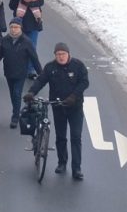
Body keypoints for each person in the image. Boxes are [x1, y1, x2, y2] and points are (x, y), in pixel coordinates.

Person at [26, 42, 90, 180]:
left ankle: (76, 168)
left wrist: (74, 96)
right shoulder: (50, 67)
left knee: (76, 137)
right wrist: (31, 92)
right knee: (61, 137)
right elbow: (41, 80)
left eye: (63, 54)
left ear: (68, 54)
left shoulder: (78, 65)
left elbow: (84, 82)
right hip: (58, 106)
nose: (61, 57)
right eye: (58, 54)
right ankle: (62, 163)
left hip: (75, 108)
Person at [0, 18, 43, 129]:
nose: (13, 30)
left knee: (17, 93)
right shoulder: (5, 40)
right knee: (12, 94)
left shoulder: (26, 42)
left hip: (20, 73)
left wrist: (41, 74)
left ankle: (15, 116)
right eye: (12, 27)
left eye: (16, 27)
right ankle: (16, 110)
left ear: (20, 28)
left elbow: (34, 58)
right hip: (9, 72)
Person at [9, 0, 44, 73]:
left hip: (33, 23)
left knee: (31, 47)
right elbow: (12, 5)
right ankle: (19, 67)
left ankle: (30, 70)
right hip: (20, 23)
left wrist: (28, 3)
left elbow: (41, 2)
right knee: (18, 46)